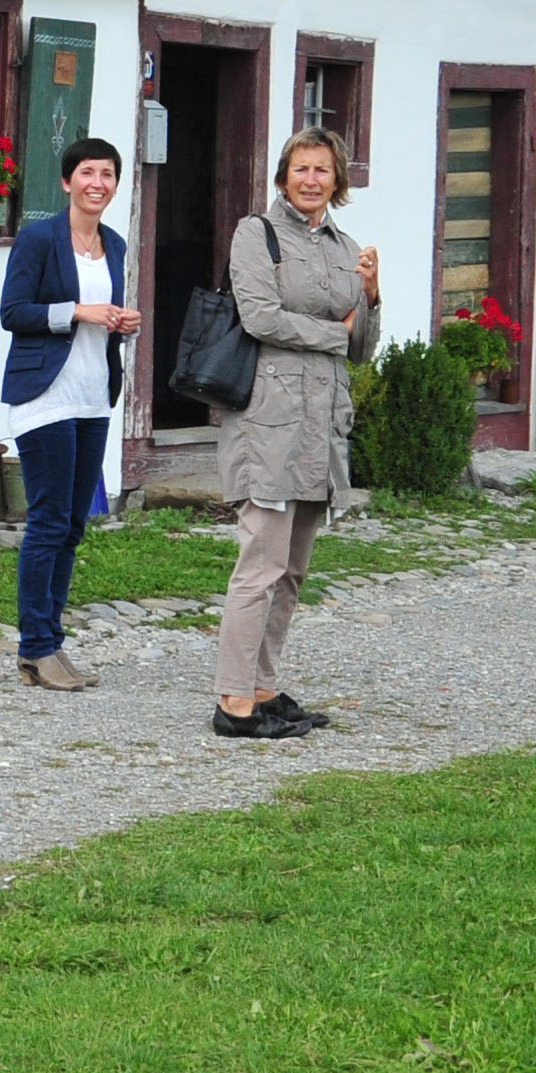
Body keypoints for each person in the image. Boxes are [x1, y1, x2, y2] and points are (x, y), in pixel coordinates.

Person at [215, 126, 379, 740]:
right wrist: (335, 332)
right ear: (284, 176)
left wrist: (372, 296)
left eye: (322, 170)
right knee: (260, 565)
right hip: (270, 421)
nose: (311, 180)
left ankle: (262, 687)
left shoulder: (347, 247)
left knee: (292, 571)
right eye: (301, 168)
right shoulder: (255, 233)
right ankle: (233, 701)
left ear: (338, 180)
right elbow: (260, 317)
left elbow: (361, 347)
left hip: (322, 425)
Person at [0, 137, 145, 689]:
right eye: (87, 172)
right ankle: (36, 647)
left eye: (107, 174)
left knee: (74, 525)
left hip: (92, 396)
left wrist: (122, 323)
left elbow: (103, 319)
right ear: (67, 181)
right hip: (46, 396)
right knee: (50, 521)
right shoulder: (38, 239)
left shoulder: (115, 244)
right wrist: (79, 311)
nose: (97, 183)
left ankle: (50, 643)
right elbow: (13, 312)